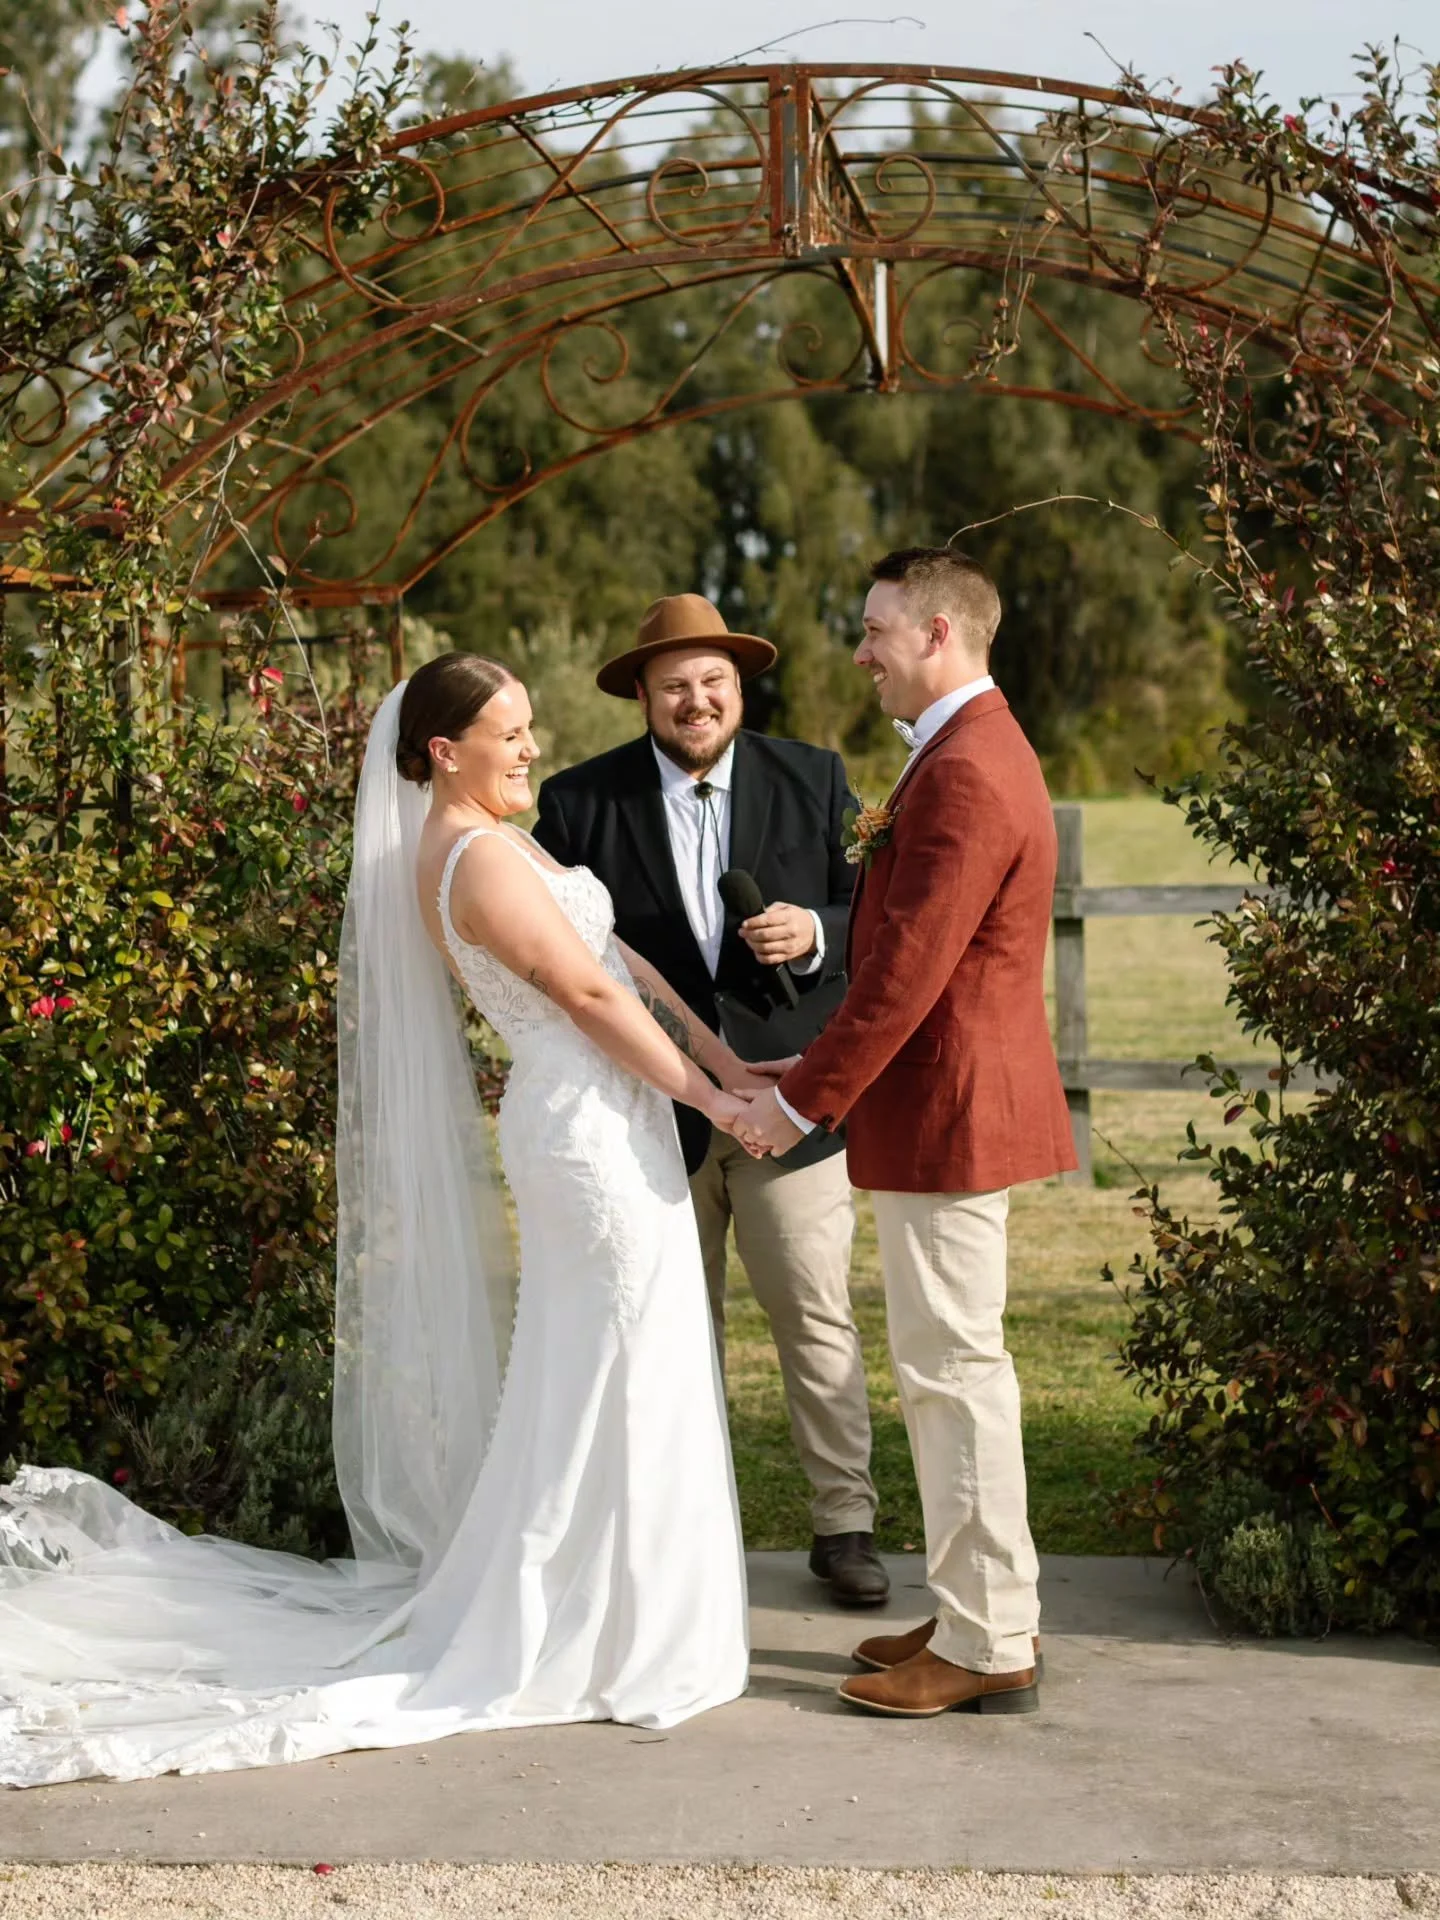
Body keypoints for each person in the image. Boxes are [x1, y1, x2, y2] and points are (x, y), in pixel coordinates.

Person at [0, 653, 773, 1786]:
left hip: (620, 1117)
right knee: (615, 1364)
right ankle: (602, 1630)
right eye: (509, 733)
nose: (531, 748)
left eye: (530, 726)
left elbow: (620, 955)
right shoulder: (466, 857)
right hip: (588, 1135)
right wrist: (711, 1104)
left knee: (623, 1363)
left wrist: (723, 1056)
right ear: (445, 751)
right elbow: (588, 994)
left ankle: (624, 1613)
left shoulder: (504, 839)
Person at [740, 548, 1077, 1717]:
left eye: (876, 629)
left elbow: (906, 981)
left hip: (951, 1113)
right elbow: (901, 964)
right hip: (942, 1106)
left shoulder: (969, 770)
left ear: (938, 631)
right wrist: (807, 1065)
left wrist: (792, 1105)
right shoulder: (963, 752)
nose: (861, 650)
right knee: (951, 1369)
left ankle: (990, 1647)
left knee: (954, 1373)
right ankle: (986, 1604)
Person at [534, 593, 888, 1608]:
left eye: (714, 681)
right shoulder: (577, 804)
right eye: (676, 683)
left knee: (814, 1319)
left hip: (790, 1110)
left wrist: (816, 932)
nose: (697, 699)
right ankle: (674, 1535)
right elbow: (573, 959)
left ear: (740, 687)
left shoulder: (814, 779)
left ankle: (845, 1528)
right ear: (642, 693)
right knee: (658, 1330)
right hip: (652, 1116)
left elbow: (877, 915)